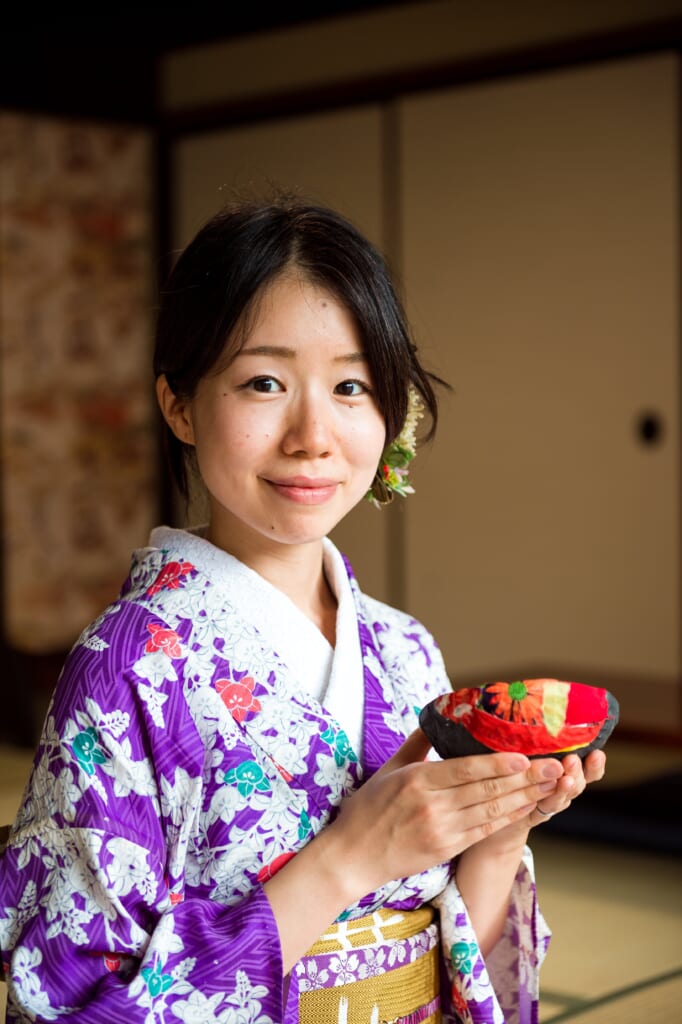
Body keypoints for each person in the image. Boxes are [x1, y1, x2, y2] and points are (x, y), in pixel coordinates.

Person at [0, 194, 605, 1024]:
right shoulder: (125, 669)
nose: (313, 434)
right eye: (263, 383)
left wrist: (498, 836)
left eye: (351, 385)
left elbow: (462, 960)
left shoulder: (405, 650)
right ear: (179, 404)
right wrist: (344, 861)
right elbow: (68, 1003)